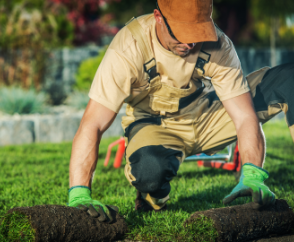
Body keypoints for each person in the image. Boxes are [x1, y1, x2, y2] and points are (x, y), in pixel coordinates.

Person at [67, 0, 294, 223]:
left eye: (197, 32)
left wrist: (253, 174)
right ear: (158, 17)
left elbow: (244, 116)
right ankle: (152, 196)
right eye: (181, 33)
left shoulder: (219, 44)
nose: (190, 43)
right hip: (155, 125)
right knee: (149, 172)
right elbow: (93, 124)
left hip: (206, 115)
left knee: (289, 79)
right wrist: (79, 192)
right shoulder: (129, 47)